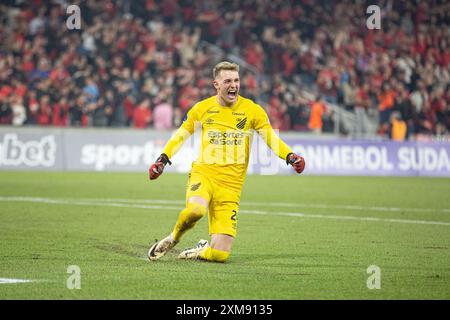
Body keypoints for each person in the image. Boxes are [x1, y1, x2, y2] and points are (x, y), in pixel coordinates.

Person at [147, 61, 305, 263]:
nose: (234, 85)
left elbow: (271, 138)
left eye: (237, 80)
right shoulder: (202, 108)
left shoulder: (252, 110)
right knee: (196, 210)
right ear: (216, 84)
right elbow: (181, 135)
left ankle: (197, 251)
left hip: (231, 186)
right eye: (228, 81)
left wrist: (290, 157)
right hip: (204, 174)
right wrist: (163, 159)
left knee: (220, 255)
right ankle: (173, 238)